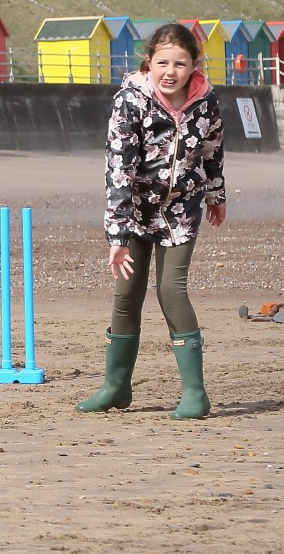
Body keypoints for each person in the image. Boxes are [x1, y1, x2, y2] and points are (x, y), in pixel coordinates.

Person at [77, 21, 226, 421]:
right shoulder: (131, 101)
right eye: (163, 62)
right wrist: (118, 234)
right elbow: (119, 167)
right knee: (126, 296)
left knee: (171, 291)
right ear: (149, 62)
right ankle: (115, 387)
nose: (170, 72)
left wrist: (215, 193)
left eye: (180, 63)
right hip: (135, 210)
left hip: (182, 209)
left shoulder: (205, 101)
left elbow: (212, 148)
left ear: (195, 64)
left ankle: (195, 393)